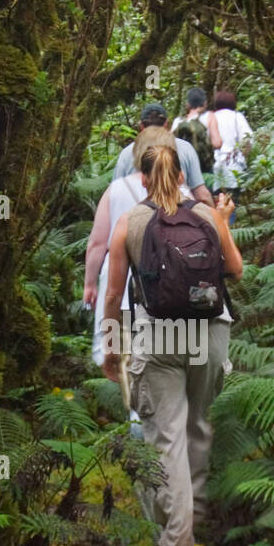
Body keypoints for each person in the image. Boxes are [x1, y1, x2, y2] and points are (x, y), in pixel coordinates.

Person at [102, 140, 243, 546]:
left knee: (167, 438)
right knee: (198, 426)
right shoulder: (208, 217)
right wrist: (225, 222)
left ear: (142, 178)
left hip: (160, 336)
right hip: (210, 335)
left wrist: (113, 350)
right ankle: (195, 523)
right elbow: (235, 270)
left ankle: (178, 540)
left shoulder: (129, 223)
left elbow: (113, 297)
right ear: (182, 175)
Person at [84, 127, 190, 370]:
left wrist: (90, 284)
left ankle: (135, 405)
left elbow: (97, 244)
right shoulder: (184, 193)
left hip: (120, 292)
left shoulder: (117, 190)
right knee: (161, 367)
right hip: (170, 294)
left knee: (127, 367)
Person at [111, 102, 214, 205]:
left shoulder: (127, 152)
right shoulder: (185, 148)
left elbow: (115, 193)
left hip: (138, 212)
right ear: (166, 124)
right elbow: (201, 194)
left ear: (141, 126)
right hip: (177, 212)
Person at [206, 89, 253, 214]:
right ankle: (230, 229)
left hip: (214, 166)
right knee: (231, 203)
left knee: (216, 203)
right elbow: (247, 139)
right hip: (234, 165)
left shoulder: (211, 118)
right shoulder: (237, 117)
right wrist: (244, 155)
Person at [172, 86, 220, 175]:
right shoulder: (209, 116)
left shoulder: (178, 121)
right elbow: (217, 143)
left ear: (187, 104)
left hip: (182, 169)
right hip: (203, 168)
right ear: (205, 103)